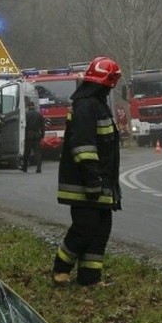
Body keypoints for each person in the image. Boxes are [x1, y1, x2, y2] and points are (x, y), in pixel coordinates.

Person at [51, 56, 122, 288]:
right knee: (85, 227)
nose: (112, 88)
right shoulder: (86, 106)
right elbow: (83, 146)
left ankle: (90, 278)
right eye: (111, 83)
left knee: (101, 229)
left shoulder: (96, 104)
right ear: (103, 83)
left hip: (101, 182)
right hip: (84, 184)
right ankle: (60, 269)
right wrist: (92, 179)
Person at [22, 98, 46, 173]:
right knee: (38, 152)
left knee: (27, 152)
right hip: (36, 135)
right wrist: (42, 135)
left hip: (28, 135)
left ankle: (25, 167)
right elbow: (42, 126)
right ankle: (39, 168)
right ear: (34, 106)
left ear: (28, 106)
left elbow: (24, 126)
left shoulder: (26, 114)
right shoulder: (38, 114)